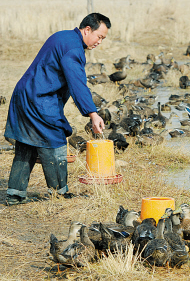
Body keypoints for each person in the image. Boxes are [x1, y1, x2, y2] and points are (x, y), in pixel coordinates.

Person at [4, 12, 111, 205]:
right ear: (88, 29)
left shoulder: (62, 36)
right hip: (40, 99)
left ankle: (15, 194)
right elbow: (77, 83)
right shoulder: (73, 49)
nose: (99, 42)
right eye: (99, 36)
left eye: (103, 39)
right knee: (55, 140)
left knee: (27, 143)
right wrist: (93, 114)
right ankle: (59, 192)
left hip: (25, 94)